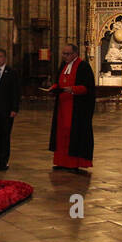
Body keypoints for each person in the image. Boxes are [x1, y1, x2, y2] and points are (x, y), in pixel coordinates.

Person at [49, 42, 94, 173]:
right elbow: (59, 82)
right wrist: (54, 88)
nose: (64, 56)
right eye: (63, 53)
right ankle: (61, 162)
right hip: (62, 107)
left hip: (76, 109)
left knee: (74, 134)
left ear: (75, 54)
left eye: (67, 54)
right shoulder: (63, 65)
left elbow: (88, 87)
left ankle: (73, 163)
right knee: (61, 133)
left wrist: (73, 89)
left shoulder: (83, 66)